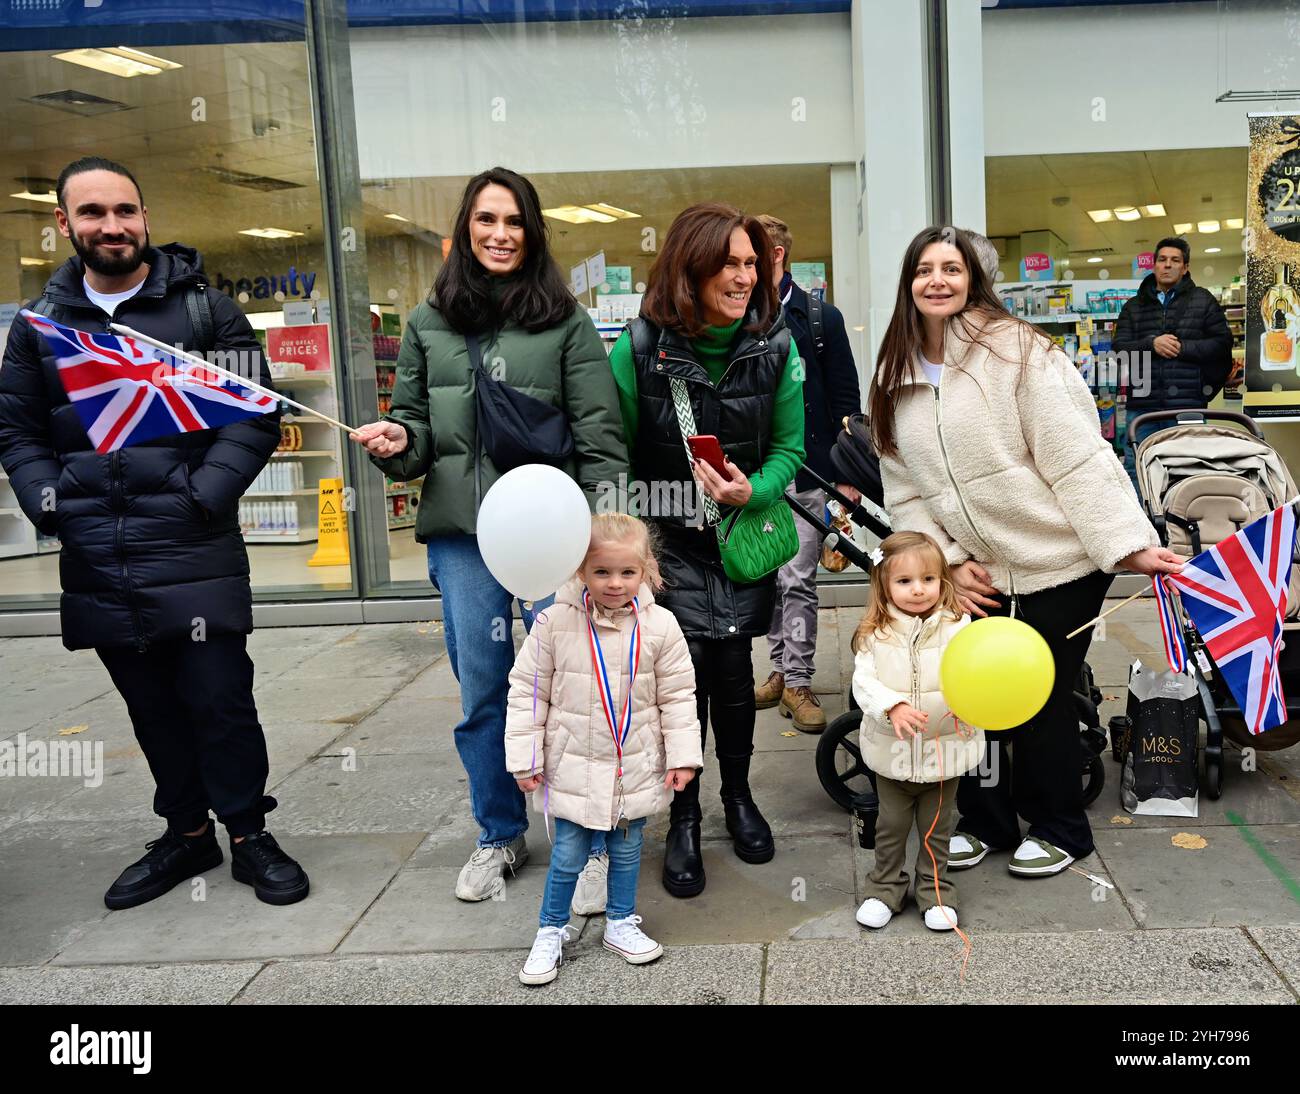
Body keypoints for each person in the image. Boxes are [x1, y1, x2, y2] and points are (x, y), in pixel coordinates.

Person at [0, 157, 309, 908]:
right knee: (151, 708)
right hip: (98, 553)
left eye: (126, 211)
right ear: (64, 225)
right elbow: (17, 429)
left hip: (193, 543)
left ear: (145, 218)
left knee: (220, 699)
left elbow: (257, 414)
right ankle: (186, 835)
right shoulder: (40, 328)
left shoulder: (207, 314)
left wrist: (204, 494)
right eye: (94, 213)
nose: (114, 226)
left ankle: (248, 834)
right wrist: (49, 501)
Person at [867, 226, 1183, 879]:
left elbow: (1077, 458)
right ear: (908, 283)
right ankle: (985, 821)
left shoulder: (1018, 353)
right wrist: (949, 560)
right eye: (923, 269)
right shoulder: (894, 371)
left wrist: (1129, 546)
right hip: (975, 568)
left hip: (1060, 558)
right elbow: (905, 492)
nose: (937, 281)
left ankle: (1062, 827)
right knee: (974, 695)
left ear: (972, 280)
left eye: (951, 268)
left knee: (1037, 697)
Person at [349, 167, 629, 905]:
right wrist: (392, 443)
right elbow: (415, 433)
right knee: (483, 691)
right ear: (464, 231)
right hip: (462, 538)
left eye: (514, 221)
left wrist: (606, 536)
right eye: (486, 220)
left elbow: (601, 437)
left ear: (532, 233)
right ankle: (499, 833)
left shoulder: (564, 322)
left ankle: (590, 841)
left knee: (573, 690)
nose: (500, 234)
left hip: (552, 536)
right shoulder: (424, 323)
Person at [609, 202, 805, 897]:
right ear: (690, 268)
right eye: (729, 261)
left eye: (752, 262)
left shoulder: (777, 348)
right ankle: (684, 818)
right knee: (681, 683)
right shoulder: (637, 349)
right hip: (669, 548)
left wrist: (752, 491)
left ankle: (740, 798)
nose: (745, 275)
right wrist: (634, 549)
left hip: (738, 540)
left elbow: (790, 449)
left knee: (732, 675)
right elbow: (617, 457)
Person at [506, 514, 702, 985]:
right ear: (580, 572)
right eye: (602, 572)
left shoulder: (662, 625)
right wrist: (525, 758)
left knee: (629, 849)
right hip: (573, 766)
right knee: (569, 854)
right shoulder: (554, 623)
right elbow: (527, 692)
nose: (615, 583)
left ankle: (620, 921)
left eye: (627, 573)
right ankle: (550, 931)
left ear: (646, 571)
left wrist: (682, 755)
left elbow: (678, 696)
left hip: (633, 765)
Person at [752, 214, 861, 734]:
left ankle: (797, 680)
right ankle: (778, 669)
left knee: (797, 578)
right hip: (753, 474)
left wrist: (847, 479)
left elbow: (846, 401)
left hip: (809, 470)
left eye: (750, 253)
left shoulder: (820, 317)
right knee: (771, 577)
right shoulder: (739, 314)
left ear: (775, 255)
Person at [850, 532, 982, 931]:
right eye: (904, 581)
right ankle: (884, 888)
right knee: (890, 830)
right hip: (893, 754)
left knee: (936, 830)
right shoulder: (876, 633)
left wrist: (977, 696)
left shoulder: (959, 627)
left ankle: (935, 892)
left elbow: (978, 671)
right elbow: (864, 682)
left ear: (943, 581)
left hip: (945, 753)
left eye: (928, 579)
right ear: (884, 585)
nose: (918, 590)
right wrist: (892, 705)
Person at [1112, 236, 1233, 485]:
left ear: (1185, 267)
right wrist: (1152, 344)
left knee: (1190, 470)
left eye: (1175, 260)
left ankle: (1184, 523)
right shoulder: (1133, 307)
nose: (1167, 265)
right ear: (1154, 265)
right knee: (1139, 472)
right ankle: (1143, 524)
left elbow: (1222, 345)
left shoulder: (1203, 300)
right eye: (1162, 260)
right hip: (1142, 407)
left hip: (1187, 406)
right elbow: (1119, 349)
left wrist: (1183, 349)